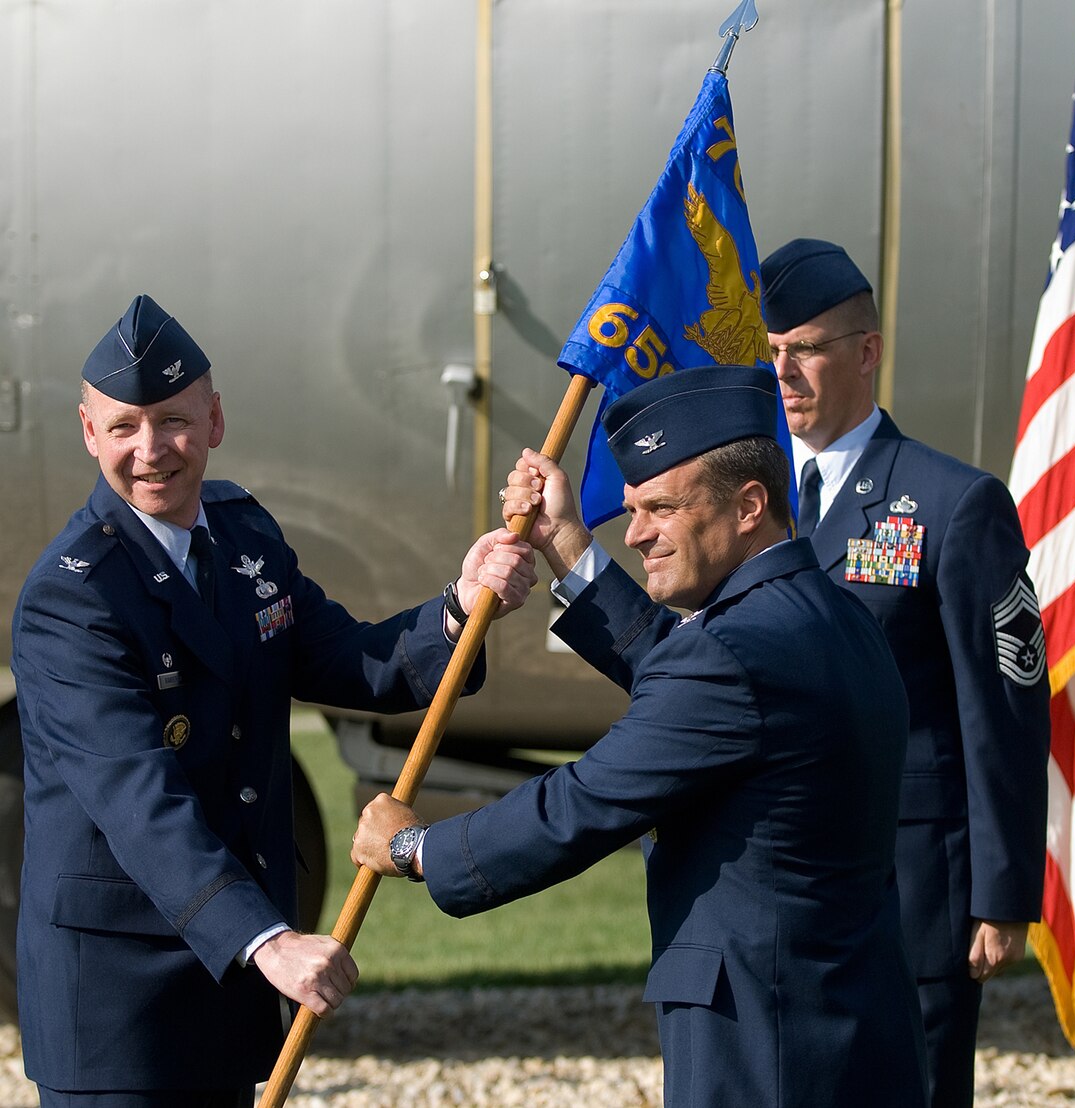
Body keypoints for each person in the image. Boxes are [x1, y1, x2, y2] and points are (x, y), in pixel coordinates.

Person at [351, 364, 930, 1107]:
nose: (636, 534)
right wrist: (567, 544)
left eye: (661, 508)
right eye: (631, 509)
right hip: (856, 1032)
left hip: (764, 1048)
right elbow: (693, 682)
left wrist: (416, 848)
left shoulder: (733, 655)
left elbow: (581, 803)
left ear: (749, 505)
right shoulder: (835, 613)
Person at [11, 293, 536, 1107]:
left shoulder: (241, 533)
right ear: (89, 433)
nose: (151, 450)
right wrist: (268, 941)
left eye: (173, 421)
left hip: (229, 983)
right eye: (124, 427)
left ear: (214, 420)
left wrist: (459, 609)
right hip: (121, 1005)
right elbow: (138, 801)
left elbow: (347, 660)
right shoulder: (73, 598)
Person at [759, 238, 1051, 1108]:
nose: (785, 373)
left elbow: (1003, 709)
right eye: (773, 352)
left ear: (867, 352)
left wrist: (1002, 891)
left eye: (806, 349)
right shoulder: (752, 504)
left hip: (911, 890)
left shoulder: (953, 504)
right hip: (780, 887)